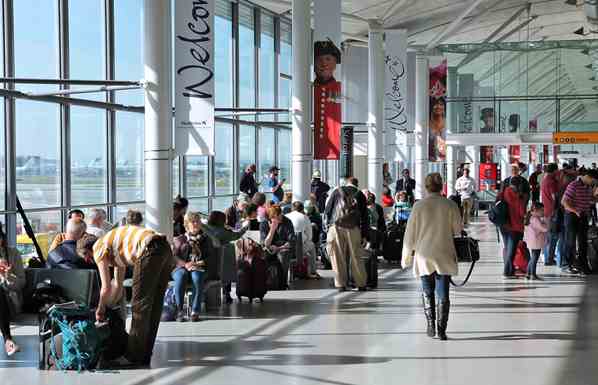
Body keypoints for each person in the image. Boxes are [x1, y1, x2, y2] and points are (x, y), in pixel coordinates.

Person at [94, 210, 174, 367]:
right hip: (164, 247)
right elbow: (118, 284)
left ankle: (132, 357)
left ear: (87, 255)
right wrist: (110, 306)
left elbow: (106, 287)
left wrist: (100, 309)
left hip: (149, 249)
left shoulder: (98, 248)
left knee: (140, 307)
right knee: (155, 304)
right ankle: (144, 353)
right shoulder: (116, 246)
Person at [401, 173, 463, 341]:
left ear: (426, 187)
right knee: (443, 293)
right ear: (441, 186)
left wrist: (406, 257)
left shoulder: (418, 206)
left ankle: (430, 325)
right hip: (444, 251)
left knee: (427, 290)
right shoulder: (450, 205)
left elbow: (410, 234)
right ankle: (442, 330)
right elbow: (458, 229)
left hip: (424, 253)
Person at [324, 177, 369, 292]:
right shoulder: (360, 195)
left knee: (337, 256)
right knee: (356, 256)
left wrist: (328, 227)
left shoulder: (337, 191)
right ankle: (361, 283)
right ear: (356, 184)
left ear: (347, 183)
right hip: (353, 228)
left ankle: (340, 284)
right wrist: (364, 235)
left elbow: (328, 210)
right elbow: (364, 217)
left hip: (336, 227)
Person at [172, 212, 212, 322]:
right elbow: (174, 257)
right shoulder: (181, 239)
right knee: (181, 276)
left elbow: (210, 258)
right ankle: (179, 310)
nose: (196, 224)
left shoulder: (206, 239)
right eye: (193, 222)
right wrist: (186, 264)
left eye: (198, 221)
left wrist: (196, 263)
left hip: (199, 265)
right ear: (187, 224)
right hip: (181, 267)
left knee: (197, 277)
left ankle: (195, 311)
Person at [202, 211, 248, 304]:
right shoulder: (222, 232)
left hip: (207, 257)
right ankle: (227, 293)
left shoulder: (205, 227)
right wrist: (245, 227)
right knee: (229, 249)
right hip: (221, 260)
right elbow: (236, 235)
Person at [561, 169, 598, 275]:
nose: (594, 183)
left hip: (583, 217)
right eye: (593, 181)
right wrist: (575, 211)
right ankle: (566, 265)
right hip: (572, 216)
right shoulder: (573, 185)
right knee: (570, 241)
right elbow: (564, 202)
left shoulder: (588, 187)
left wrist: (595, 197)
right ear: (588, 177)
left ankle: (583, 266)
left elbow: (591, 200)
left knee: (583, 243)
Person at [0, 225, 25, 356]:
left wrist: (8, 276)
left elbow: (22, 283)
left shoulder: (13, 254)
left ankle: (8, 339)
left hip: (9, 302)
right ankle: (8, 341)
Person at [261, 205, 296, 289]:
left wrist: (279, 248)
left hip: (283, 249)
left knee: (283, 255)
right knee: (263, 256)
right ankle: (267, 282)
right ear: (271, 217)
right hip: (270, 249)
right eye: (275, 217)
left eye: (280, 215)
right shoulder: (264, 224)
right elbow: (265, 244)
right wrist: (272, 229)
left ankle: (281, 283)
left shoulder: (287, 222)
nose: (279, 219)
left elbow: (291, 241)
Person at [499, 176, 527, 278]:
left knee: (507, 248)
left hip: (504, 225)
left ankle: (510, 271)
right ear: (519, 185)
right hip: (514, 226)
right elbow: (521, 212)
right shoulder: (518, 196)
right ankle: (507, 272)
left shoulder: (503, 192)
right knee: (512, 250)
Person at [286, 201, 319, 279]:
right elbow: (310, 236)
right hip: (299, 247)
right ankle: (313, 271)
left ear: (292, 208)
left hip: (286, 247)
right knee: (312, 245)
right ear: (302, 209)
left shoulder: (286, 216)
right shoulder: (304, 217)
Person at [524, 202, 549, 280]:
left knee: (533, 258)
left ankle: (528, 273)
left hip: (532, 241)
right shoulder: (535, 219)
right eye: (542, 210)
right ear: (536, 210)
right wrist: (545, 221)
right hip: (536, 242)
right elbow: (545, 228)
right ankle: (533, 274)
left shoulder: (530, 217)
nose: (543, 212)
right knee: (534, 258)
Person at [541, 163, 559, 266]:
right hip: (552, 211)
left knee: (548, 235)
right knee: (552, 236)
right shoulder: (551, 181)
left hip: (546, 210)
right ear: (554, 171)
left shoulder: (544, 179)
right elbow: (554, 197)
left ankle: (547, 256)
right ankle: (549, 259)